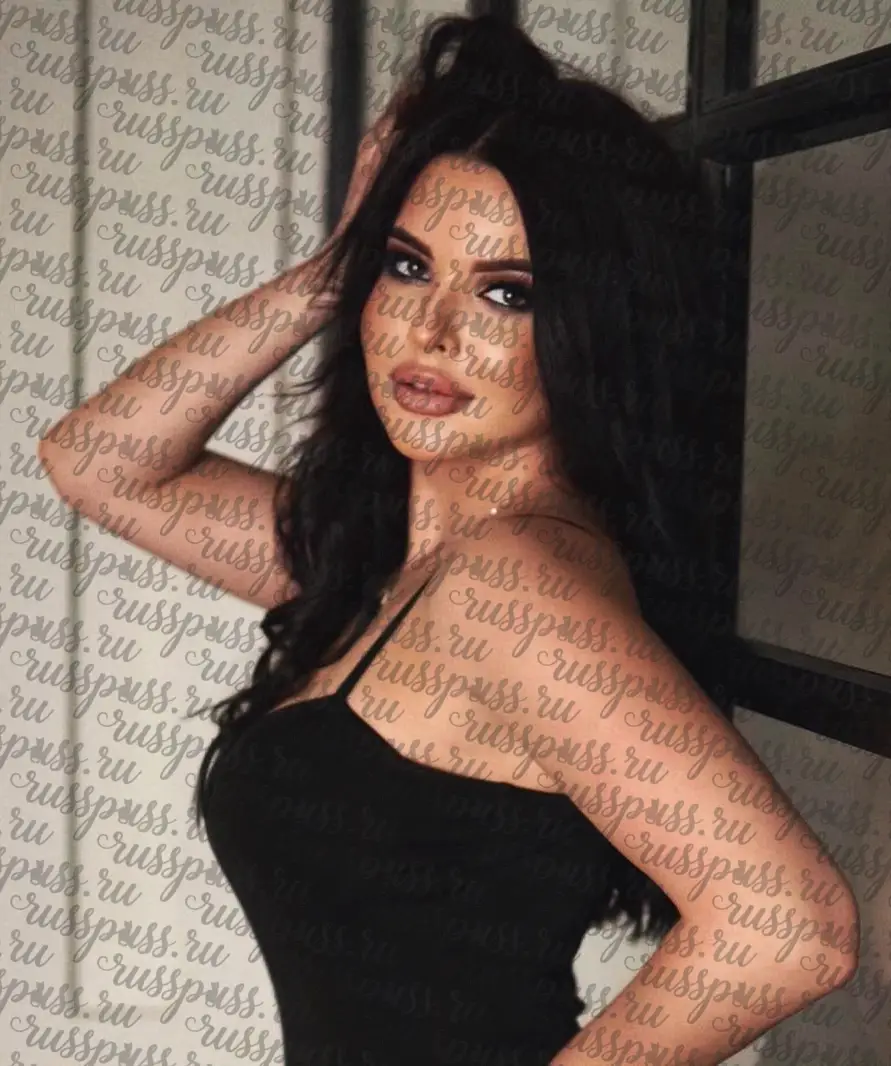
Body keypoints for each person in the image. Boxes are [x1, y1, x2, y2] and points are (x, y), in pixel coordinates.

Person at [39, 14, 859, 1066]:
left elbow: (788, 928)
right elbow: (101, 463)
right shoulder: (393, 564)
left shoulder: (511, 590)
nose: (432, 333)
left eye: (506, 293)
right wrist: (335, 266)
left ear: (595, 325)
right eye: (408, 267)